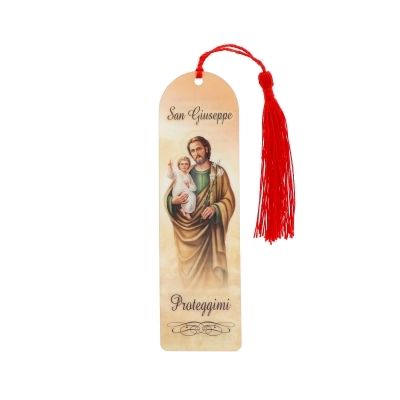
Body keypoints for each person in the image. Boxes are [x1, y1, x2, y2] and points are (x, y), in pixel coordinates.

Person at [165, 136, 235, 289]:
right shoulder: (186, 172)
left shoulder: (219, 172)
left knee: (212, 282)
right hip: (188, 232)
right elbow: (170, 196)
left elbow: (229, 200)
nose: (196, 153)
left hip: (210, 233)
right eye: (192, 151)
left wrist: (215, 208)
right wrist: (173, 201)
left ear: (206, 149)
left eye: (199, 149)